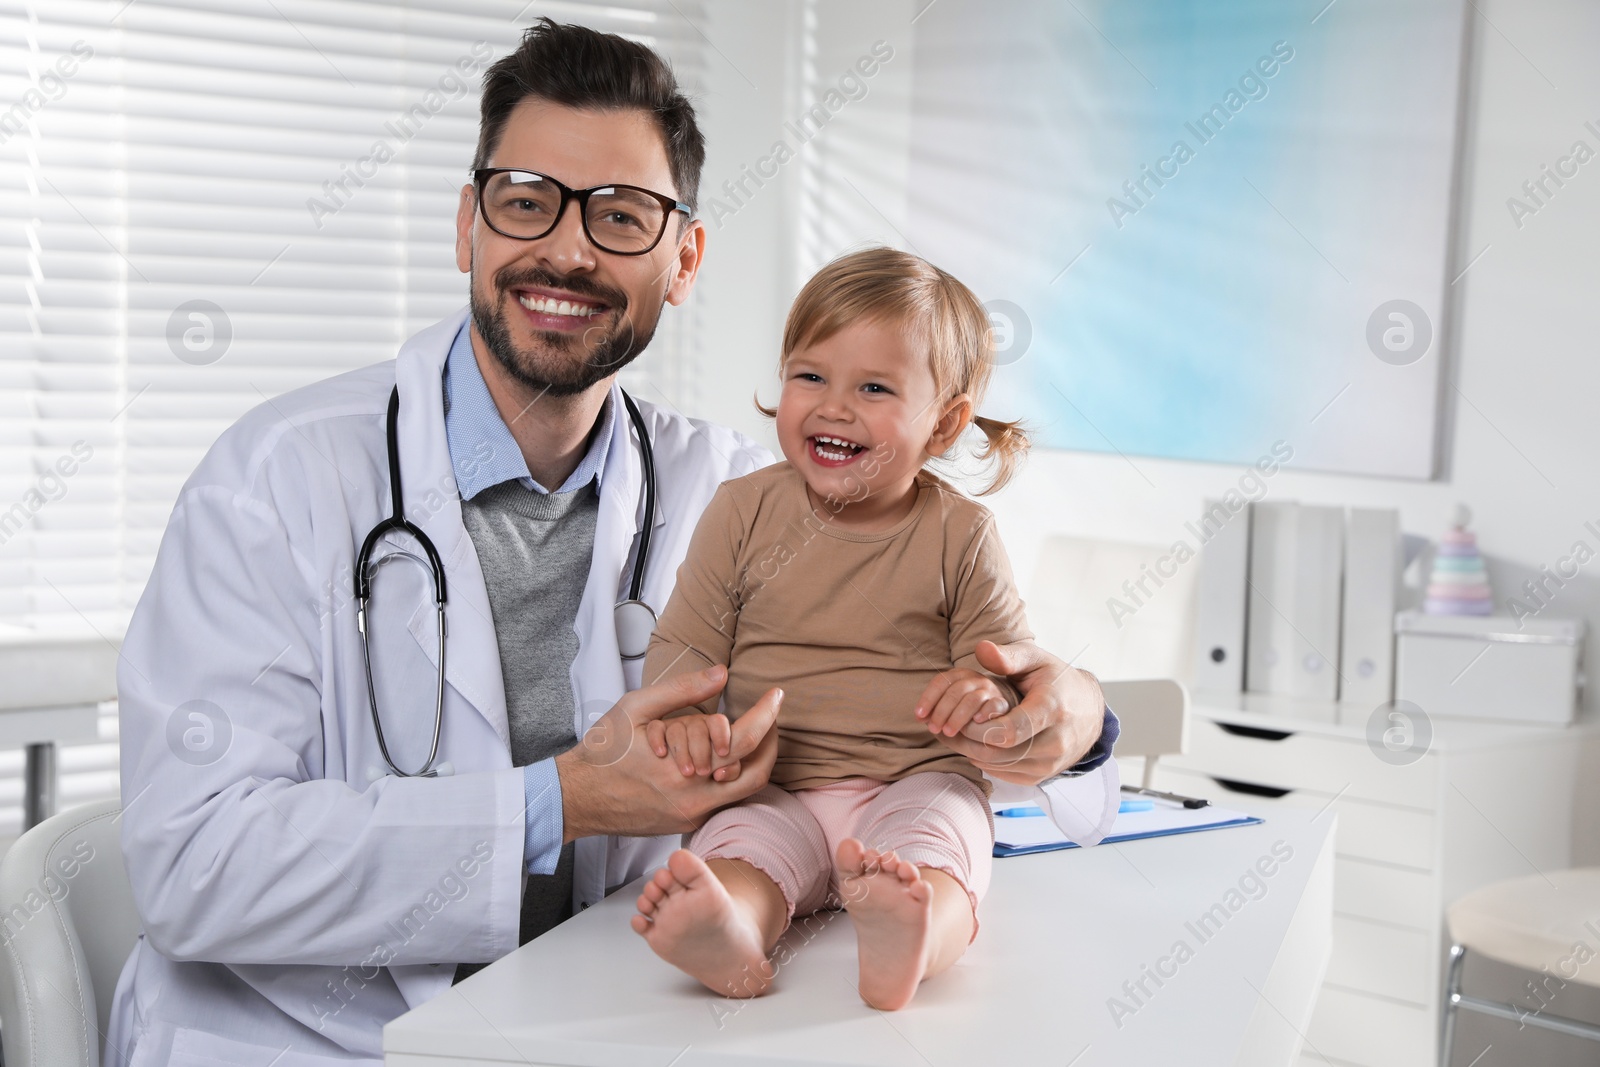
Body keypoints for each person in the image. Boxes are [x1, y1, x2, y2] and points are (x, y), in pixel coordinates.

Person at [107, 19, 1114, 1067]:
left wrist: (1076, 716)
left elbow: (919, 718)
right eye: (526, 200)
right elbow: (194, 863)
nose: (570, 250)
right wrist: (567, 800)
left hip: (603, 1021)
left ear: (684, 260)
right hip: (300, 1037)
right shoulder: (276, 478)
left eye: (623, 216)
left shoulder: (744, 491)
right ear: (469, 227)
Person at [632, 248, 1044, 1010]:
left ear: (945, 424)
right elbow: (684, 648)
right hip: (772, 783)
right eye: (810, 375)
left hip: (912, 779)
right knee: (739, 853)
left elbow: (1003, 672)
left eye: (876, 387)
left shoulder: (962, 533)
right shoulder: (742, 511)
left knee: (941, 852)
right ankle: (729, 931)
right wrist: (686, 716)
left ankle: (914, 936)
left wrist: (982, 694)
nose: (833, 406)